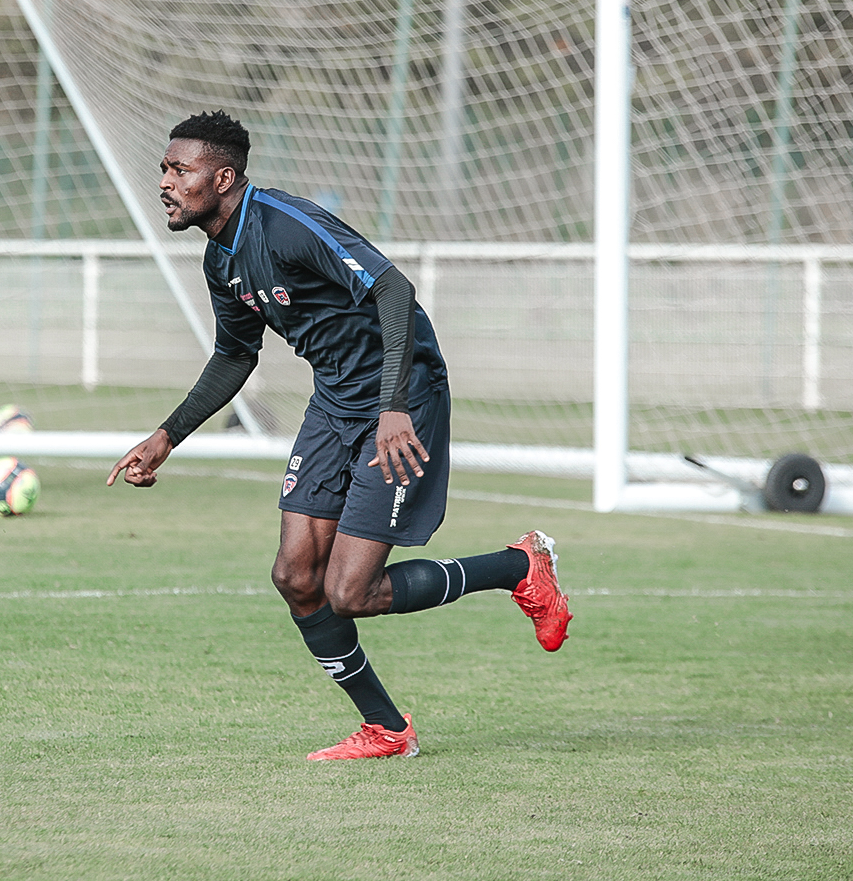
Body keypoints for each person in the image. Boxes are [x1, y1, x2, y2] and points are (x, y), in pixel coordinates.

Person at [107, 111, 572, 760]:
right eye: (164, 169)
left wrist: (393, 406)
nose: (165, 181)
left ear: (223, 177)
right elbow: (235, 355)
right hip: (333, 404)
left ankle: (519, 566)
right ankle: (387, 729)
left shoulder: (286, 224)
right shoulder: (221, 259)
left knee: (350, 593)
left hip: (402, 399)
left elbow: (394, 290)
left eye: (178, 170)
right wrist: (167, 436)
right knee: (296, 577)